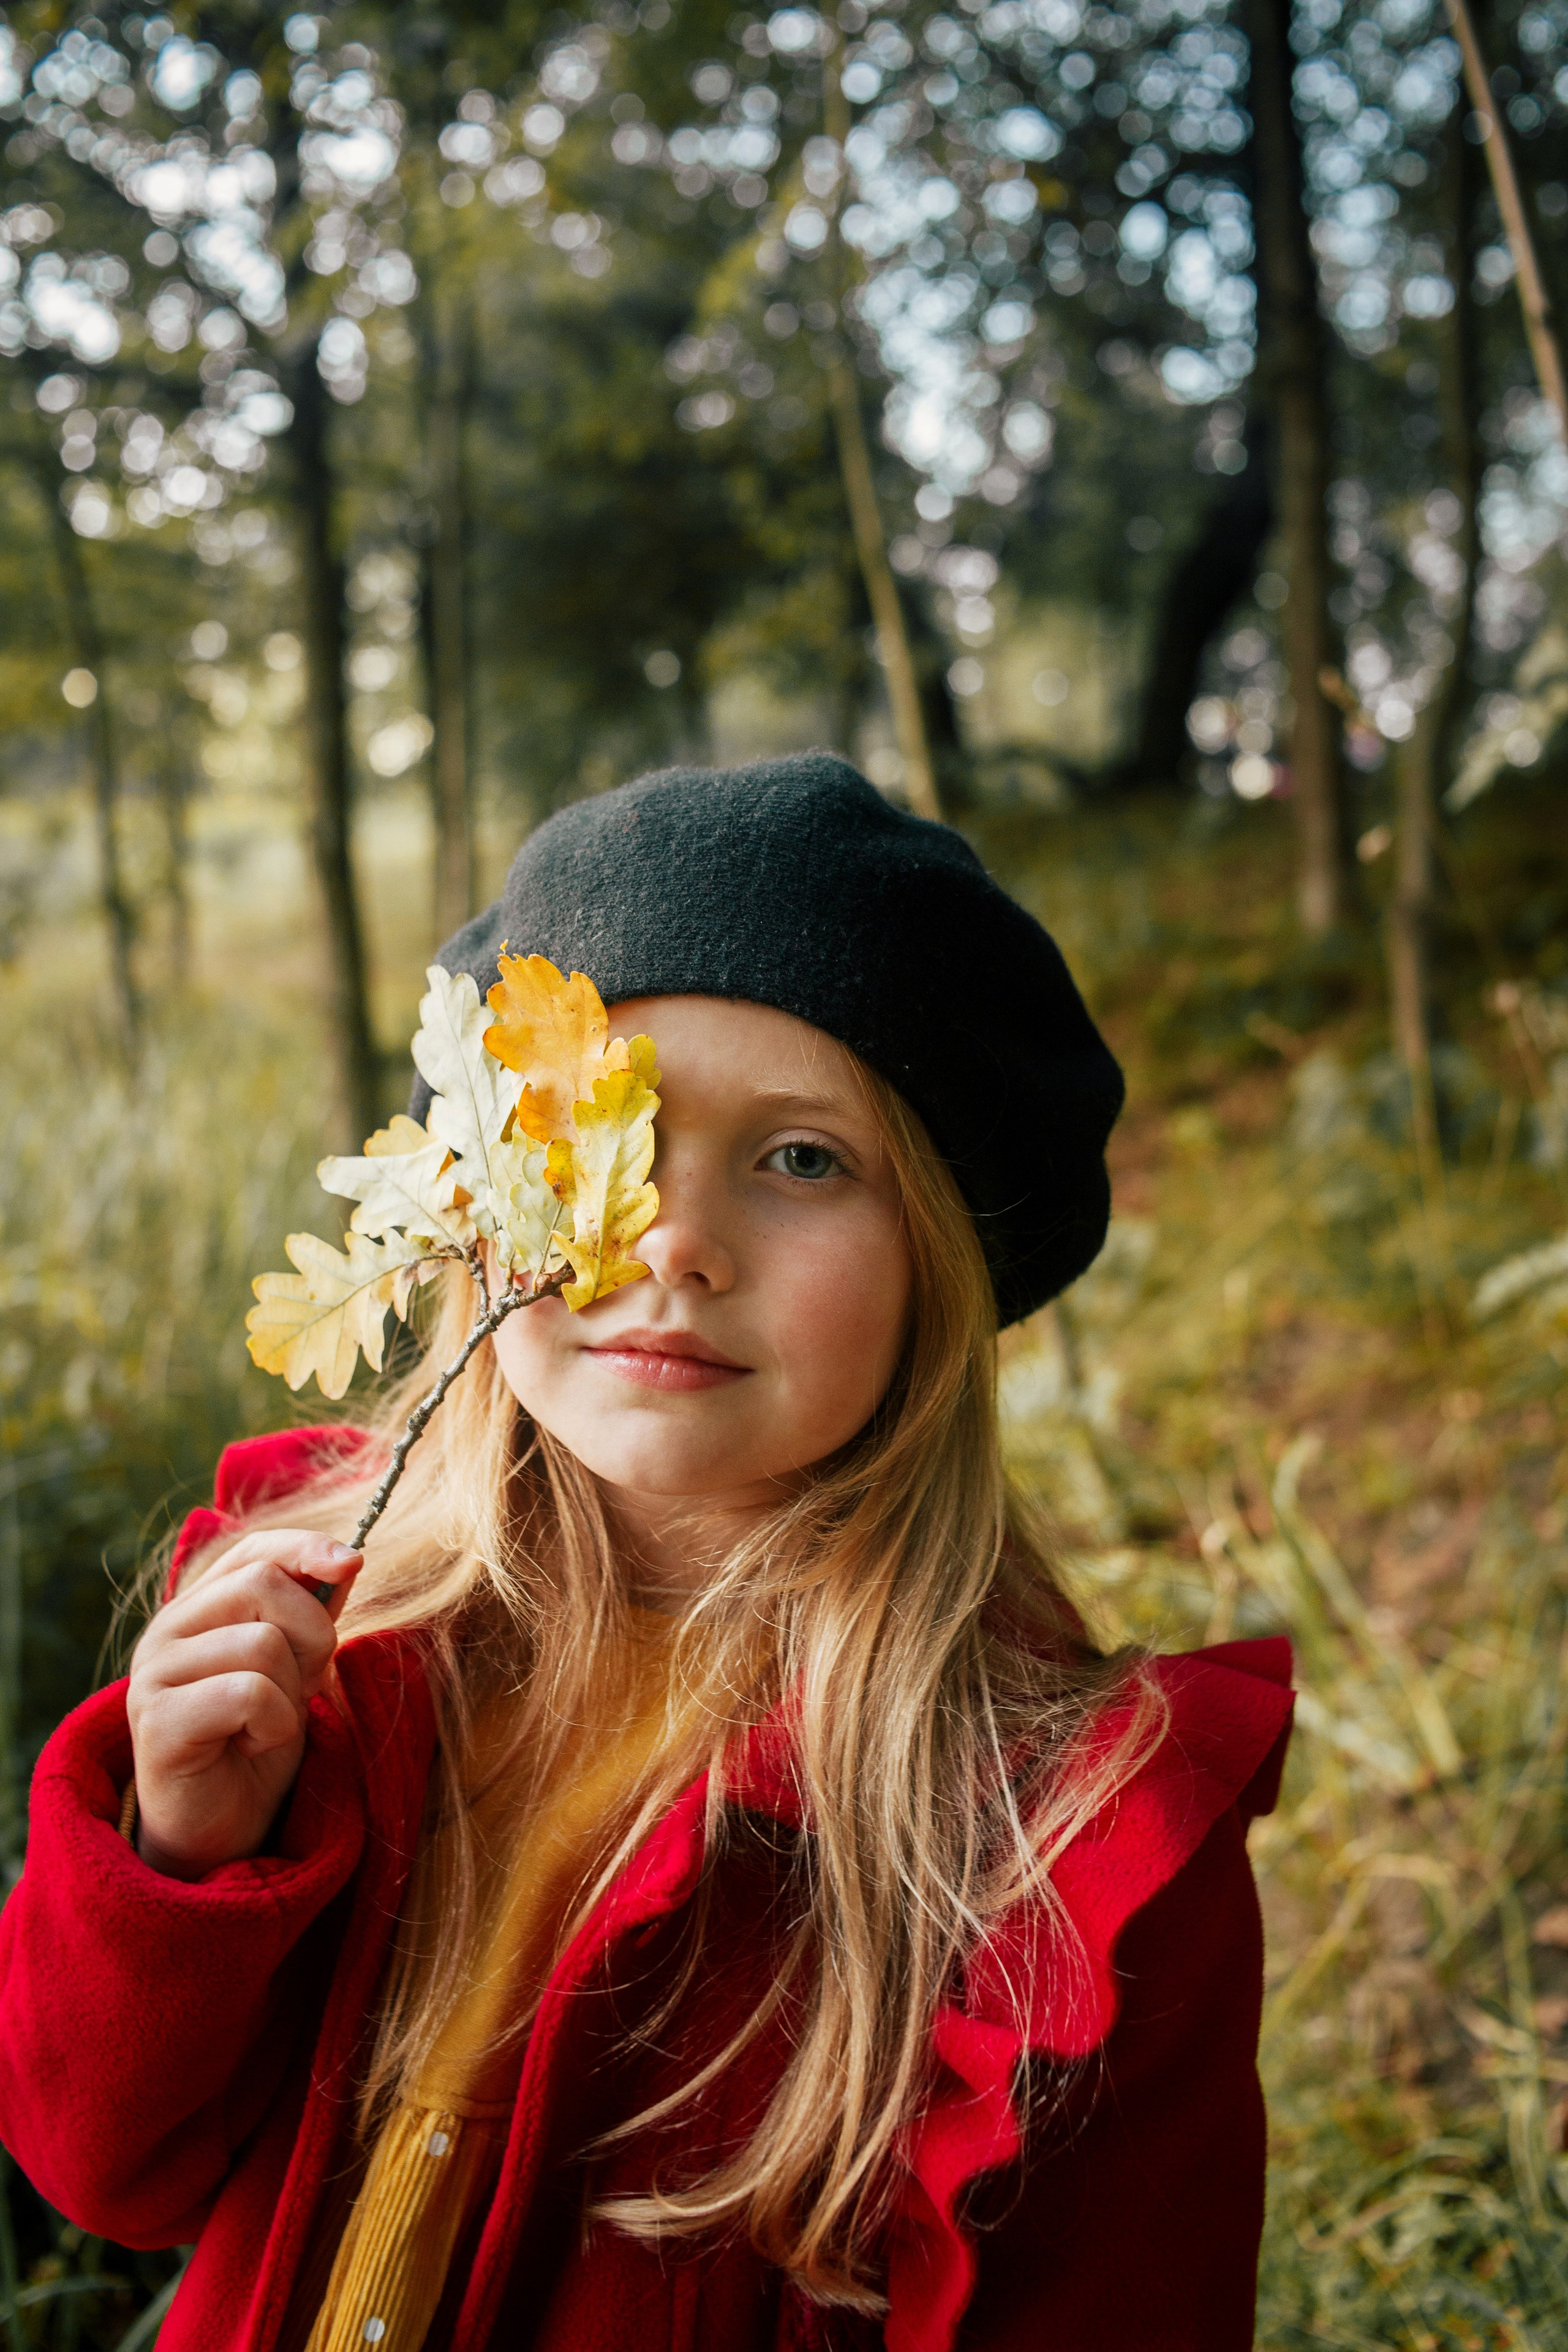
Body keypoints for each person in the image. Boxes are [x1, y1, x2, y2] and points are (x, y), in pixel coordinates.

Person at [0, 755, 1292, 2352]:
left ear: (938, 1269)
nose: (676, 1236)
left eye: (804, 1157)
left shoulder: (1073, 1849)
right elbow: (106, 2171)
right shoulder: (325, 1621)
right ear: (471, 1204)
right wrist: (187, 1866)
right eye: (603, 1133)